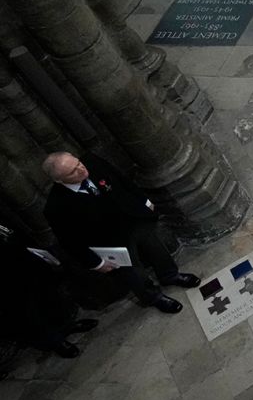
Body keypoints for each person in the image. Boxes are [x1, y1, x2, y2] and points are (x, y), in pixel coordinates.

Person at [41, 152, 198, 315]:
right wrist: (97, 263)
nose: (81, 170)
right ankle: (153, 297)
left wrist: (145, 201)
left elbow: (122, 180)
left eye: (78, 163)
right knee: (133, 273)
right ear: (59, 180)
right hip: (110, 241)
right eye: (72, 172)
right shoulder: (56, 208)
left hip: (132, 218)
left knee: (156, 248)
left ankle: (170, 275)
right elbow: (70, 242)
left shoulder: (92, 161)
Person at [0, 228, 97, 358]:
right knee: (24, 311)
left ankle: (66, 325)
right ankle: (55, 340)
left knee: (47, 294)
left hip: (18, 256)